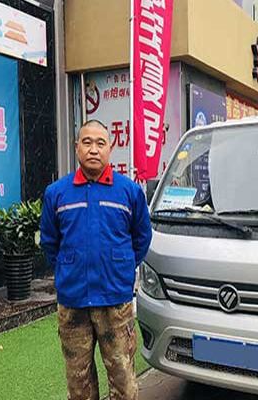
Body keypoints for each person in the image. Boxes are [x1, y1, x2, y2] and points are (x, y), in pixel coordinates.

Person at [40, 119, 152, 400]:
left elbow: (142, 238)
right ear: (76, 147)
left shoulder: (129, 192)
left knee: (124, 382)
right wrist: (68, 268)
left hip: (115, 302)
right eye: (87, 142)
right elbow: (49, 242)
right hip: (73, 303)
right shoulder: (57, 193)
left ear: (110, 148)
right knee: (79, 385)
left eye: (100, 143)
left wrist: (121, 267)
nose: (93, 149)